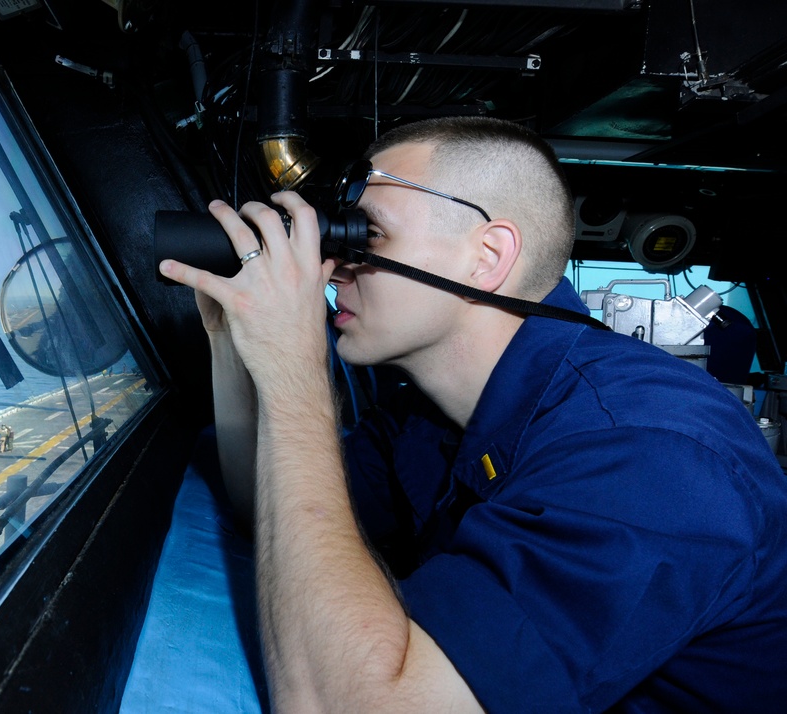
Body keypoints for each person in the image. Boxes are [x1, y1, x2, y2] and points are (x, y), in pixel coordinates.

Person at [158, 117, 787, 712]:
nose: (333, 265)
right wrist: (229, 336)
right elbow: (265, 504)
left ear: (486, 257)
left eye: (364, 235)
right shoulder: (426, 415)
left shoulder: (651, 455)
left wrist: (294, 373)